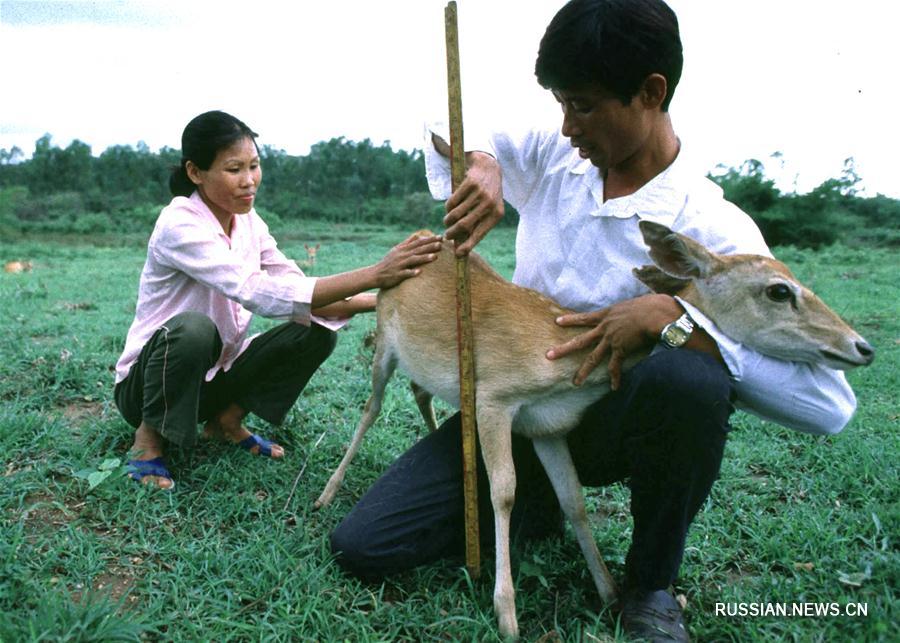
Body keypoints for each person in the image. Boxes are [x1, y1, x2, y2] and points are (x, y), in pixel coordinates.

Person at [328, 1, 858, 641]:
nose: (567, 123)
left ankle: (651, 587)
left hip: (610, 417)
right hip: (514, 401)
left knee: (690, 382)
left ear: (650, 92)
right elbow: (442, 120)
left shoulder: (716, 231)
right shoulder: (559, 156)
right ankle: (538, 502)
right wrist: (482, 162)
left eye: (582, 105)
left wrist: (677, 321)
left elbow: (829, 405)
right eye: (559, 103)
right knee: (363, 545)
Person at [114, 110, 441, 490]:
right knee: (193, 329)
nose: (249, 181)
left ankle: (225, 422)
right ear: (195, 172)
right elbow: (255, 290)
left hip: (212, 379)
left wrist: (388, 297)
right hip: (150, 387)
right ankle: (148, 441)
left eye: (254, 166)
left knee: (315, 332)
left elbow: (297, 288)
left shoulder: (249, 222)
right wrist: (376, 272)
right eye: (234, 169)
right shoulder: (180, 224)